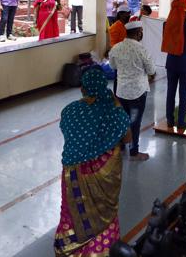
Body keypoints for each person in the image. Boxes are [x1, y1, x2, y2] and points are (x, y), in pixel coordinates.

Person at [54, 66, 132, 256]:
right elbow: (128, 139)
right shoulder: (115, 113)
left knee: (72, 215)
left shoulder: (70, 111)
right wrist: (116, 104)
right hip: (103, 176)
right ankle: (102, 250)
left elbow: (68, 133)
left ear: (83, 88)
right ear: (104, 86)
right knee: (105, 214)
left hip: (72, 174)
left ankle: (70, 249)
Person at [109, 21, 155, 161]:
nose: (142, 33)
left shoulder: (116, 48)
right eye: (141, 31)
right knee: (134, 122)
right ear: (137, 32)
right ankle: (134, 152)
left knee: (123, 120)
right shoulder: (141, 49)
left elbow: (112, 66)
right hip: (137, 93)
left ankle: (121, 146)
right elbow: (151, 70)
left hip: (121, 91)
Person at [163, 0, 186, 129]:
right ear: (184, 12)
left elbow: (167, 43)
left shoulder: (166, 25)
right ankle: (181, 121)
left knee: (170, 92)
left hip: (171, 63)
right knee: (183, 93)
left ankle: (170, 120)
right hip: (185, 64)